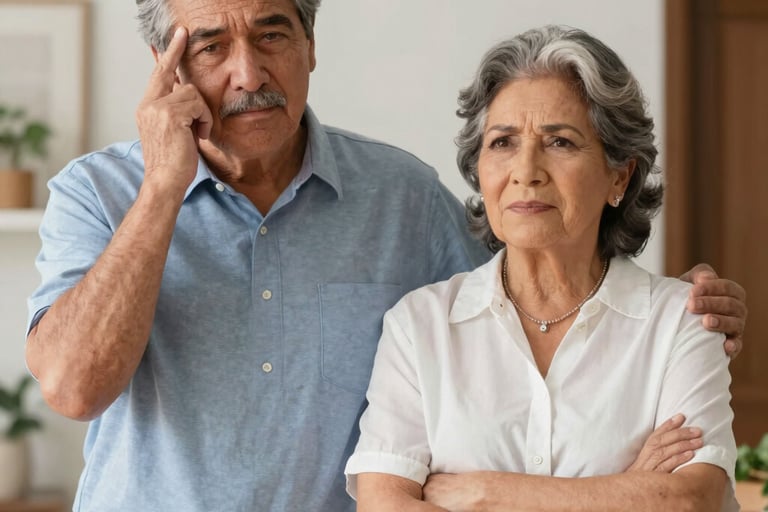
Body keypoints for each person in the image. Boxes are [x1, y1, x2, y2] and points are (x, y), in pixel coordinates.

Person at [23, 2, 743, 510]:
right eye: (209, 45)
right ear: (164, 66)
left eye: (273, 33)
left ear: (310, 45)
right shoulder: (97, 194)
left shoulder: (403, 197)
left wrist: (668, 309)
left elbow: (535, 287)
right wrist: (161, 188)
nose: (248, 72)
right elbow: (72, 387)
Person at [345, 25, 740, 511]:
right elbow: (383, 505)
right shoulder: (418, 326)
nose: (526, 170)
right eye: (503, 142)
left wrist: (482, 494)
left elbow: (686, 502)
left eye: (560, 142)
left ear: (619, 174)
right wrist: (624, 490)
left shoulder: (682, 322)